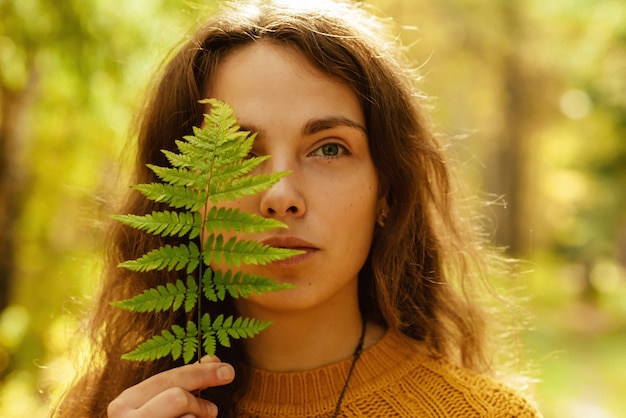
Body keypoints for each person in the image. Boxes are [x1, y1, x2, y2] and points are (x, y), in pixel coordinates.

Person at [53, 0, 541, 417]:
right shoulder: (109, 406)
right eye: (239, 151)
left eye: (329, 148)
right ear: (177, 192)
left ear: (386, 191)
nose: (281, 195)